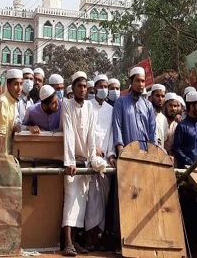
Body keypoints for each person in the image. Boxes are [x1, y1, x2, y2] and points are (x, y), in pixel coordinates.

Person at [61, 71, 98, 256]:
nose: (82, 90)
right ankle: (67, 242)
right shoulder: (66, 105)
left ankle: (75, 242)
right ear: (73, 87)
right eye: (79, 86)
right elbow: (68, 132)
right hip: (72, 162)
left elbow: (92, 135)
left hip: (85, 162)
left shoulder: (90, 107)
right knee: (70, 200)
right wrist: (69, 161)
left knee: (80, 202)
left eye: (85, 87)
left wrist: (92, 159)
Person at [85, 74, 115, 250]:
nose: (104, 89)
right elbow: (87, 131)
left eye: (107, 86)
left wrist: (110, 154)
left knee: (102, 200)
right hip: (91, 158)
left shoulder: (111, 110)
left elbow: (111, 134)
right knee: (91, 201)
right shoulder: (88, 106)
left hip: (106, 160)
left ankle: (97, 238)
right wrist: (93, 149)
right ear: (94, 88)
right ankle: (87, 238)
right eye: (101, 86)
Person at [112, 67, 157, 155]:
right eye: (137, 80)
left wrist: (153, 151)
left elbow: (152, 130)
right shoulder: (121, 102)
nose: (140, 84)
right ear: (131, 82)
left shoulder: (148, 105)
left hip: (145, 154)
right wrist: (120, 148)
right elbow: (117, 126)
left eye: (143, 81)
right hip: (127, 153)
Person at [0, 69, 23, 155]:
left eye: (21, 84)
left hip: (9, 152)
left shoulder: (13, 101)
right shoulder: (3, 101)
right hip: (1, 154)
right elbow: (1, 131)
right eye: (16, 84)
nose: (19, 88)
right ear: (8, 85)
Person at [173, 92, 197, 168]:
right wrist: (192, 164)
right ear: (192, 107)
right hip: (188, 171)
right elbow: (177, 149)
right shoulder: (182, 126)